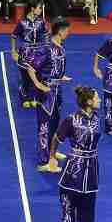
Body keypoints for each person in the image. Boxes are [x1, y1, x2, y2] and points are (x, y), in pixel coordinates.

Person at [49, 86, 101, 222]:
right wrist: (52, 157)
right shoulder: (71, 120)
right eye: (96, 98)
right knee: (69, 204)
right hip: (74, 168)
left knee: (88, 203)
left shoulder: (97, 118)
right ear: (89, 102)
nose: (99, 100)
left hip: (91, 167)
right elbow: (56, 138)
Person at [26, 17, 72, 172]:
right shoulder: (46, 48)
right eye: (67, 30)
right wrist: (38, 84)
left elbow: (54, 67)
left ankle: (51, 152)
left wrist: (60, 77)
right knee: (44, 126)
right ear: (60, 31)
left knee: (55, 122)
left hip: (57, 89)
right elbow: (31, 67)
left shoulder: (61, 47)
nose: (68, 33)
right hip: (46, 92)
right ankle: (43, 161)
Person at [11, 0, 49, 108]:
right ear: (32, 9)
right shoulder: (22, 23)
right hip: (25, 53)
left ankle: (36, 98)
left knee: (38, 76)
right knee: (26, 78)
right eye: (39, 8)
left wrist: (47, 48)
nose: (40, 10)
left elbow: (46, 34)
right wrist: (13, 51)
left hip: (38, 53)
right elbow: (13, 36)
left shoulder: (41, 22)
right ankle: (25, 98)